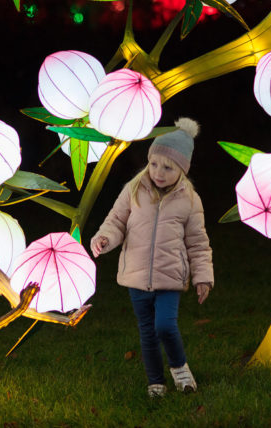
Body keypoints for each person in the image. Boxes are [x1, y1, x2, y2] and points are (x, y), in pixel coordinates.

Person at [90, 117, 214, 398]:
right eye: (154, 163)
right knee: (147, 332)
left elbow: (198, 243)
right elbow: (116, 221)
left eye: (168, 167)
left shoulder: (190, 201)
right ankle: (155, 382)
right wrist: (104, 238)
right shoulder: (133, 190)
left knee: (165, 326)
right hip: (136, 275)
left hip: (170, 277)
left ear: (182, 170)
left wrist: (203, 277)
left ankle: (180, 370)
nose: (158, 171)